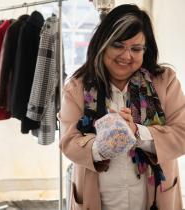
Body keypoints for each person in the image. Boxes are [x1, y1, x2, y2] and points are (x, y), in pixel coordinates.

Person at [59, 4, 185, 210]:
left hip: (155, 201)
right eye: (118, 45)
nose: (126, 56)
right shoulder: (77, 86)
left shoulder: (165, 82)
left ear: (146, 50)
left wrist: (138, 133)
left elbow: (182, 135)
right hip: (98, 200)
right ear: (103, 44)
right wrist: (102, 146)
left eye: (136, 49)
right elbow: (68, 143)